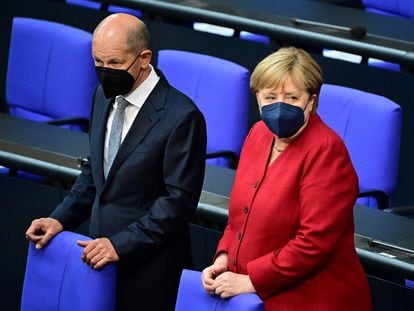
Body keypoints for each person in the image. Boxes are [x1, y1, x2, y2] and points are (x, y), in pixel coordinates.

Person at [25, 13, 207, 310]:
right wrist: (60, 218)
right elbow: (96, 174)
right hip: (96, 261)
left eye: (115, 64)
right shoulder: (103, 95)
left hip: (148, 272)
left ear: (144, 58)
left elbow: (177, 202)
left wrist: (120, 244)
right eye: (98, 62)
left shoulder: (182, 117)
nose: (104, 71)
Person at [201, 47, 371, 310]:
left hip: (312, 298)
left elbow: (313, 242)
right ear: (257, 97)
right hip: (254, 294)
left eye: (292, 97)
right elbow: (241, 215)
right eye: (270, 96)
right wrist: (224, 256)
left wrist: (252, 281)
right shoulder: (258, 133)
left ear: (311, 101)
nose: (279, 106)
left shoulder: (326, 150)